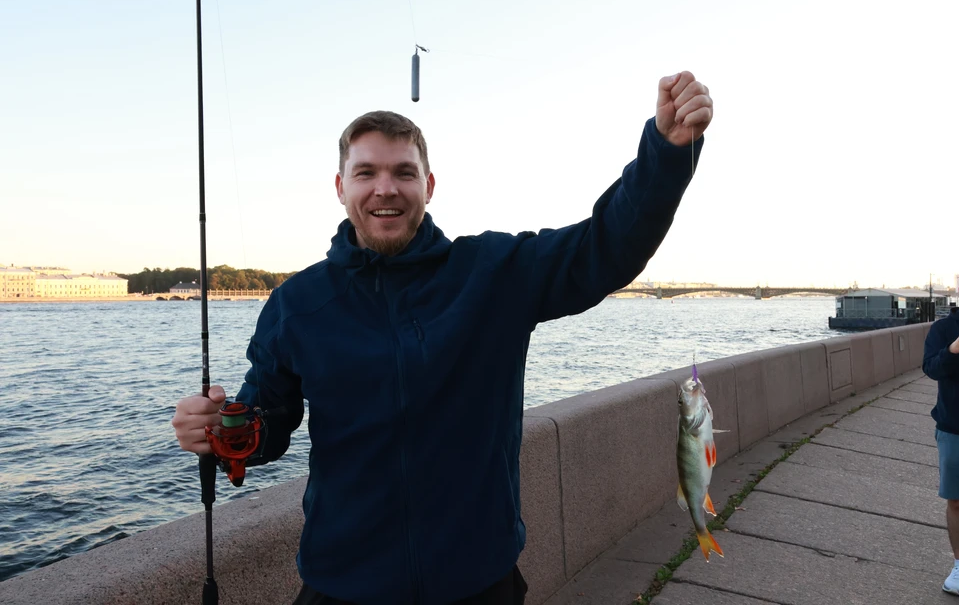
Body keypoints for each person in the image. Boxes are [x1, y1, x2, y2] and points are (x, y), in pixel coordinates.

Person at [172, 71, 713, 605]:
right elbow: (267, 423)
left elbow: (604, 249)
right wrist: (225, 429)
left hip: (479, 581)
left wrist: (665, 153)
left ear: (428, 186)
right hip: (341, 584)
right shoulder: (296, 305)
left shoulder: (494, 272)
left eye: (404, 173)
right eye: (366, 173)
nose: (386, 188)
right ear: (342, 188)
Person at [923, 305, 959, 596]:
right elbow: (931, 368)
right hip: (953, 429)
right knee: (957, 501)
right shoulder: (942, 330)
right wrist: (954, 349)